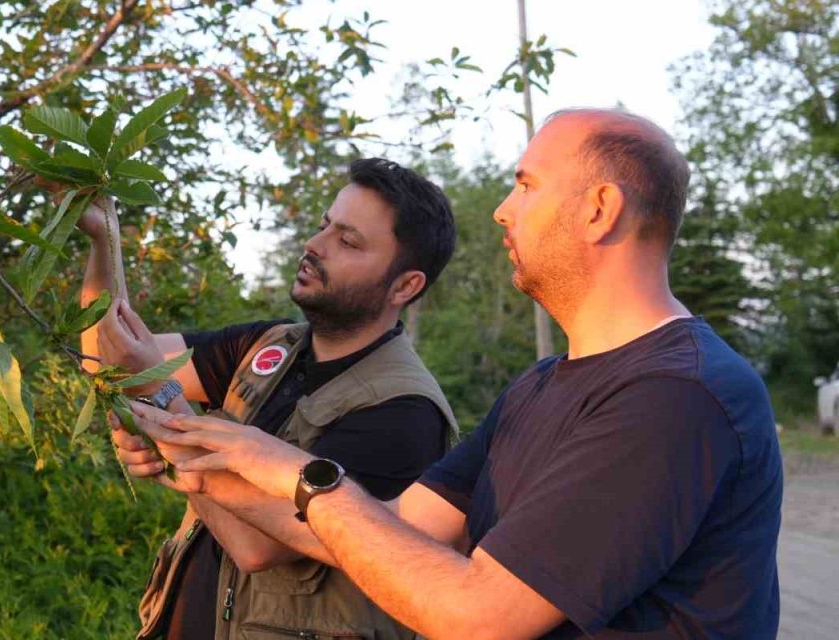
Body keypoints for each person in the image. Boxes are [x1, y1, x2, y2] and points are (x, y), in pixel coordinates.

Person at [125, 109, 783, 639]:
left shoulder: (673, 396)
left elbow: (478, 616)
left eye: (526, 185)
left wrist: (299, 472)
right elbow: (387, 528)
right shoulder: (538, 387)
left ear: (599, 209)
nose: (502, 209)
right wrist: (198, 458)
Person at [78, 158, 459, 639]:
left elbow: (256, 546)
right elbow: (105, 356)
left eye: (347, 241)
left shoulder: (404, 411)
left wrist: (163, 402)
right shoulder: (269, 346)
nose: (315, 244)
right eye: (324, 225)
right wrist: (105, 239)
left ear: (405, 285)